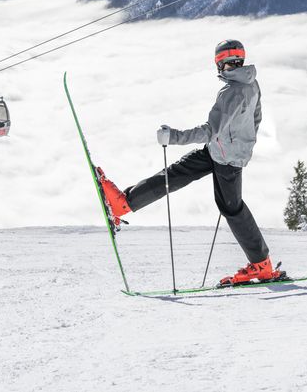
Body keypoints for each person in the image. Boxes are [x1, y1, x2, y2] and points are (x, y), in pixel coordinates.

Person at [96, 39, 282, 285]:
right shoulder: (251, 82)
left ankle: (261, 265)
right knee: (177, 174)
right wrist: (243, 143)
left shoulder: (231, 91)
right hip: (223, 151)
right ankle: (124, 204)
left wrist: (173, 136)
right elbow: (256, 117)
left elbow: (209, 131)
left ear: (220, 63)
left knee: (232, 208)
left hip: (226, 158)